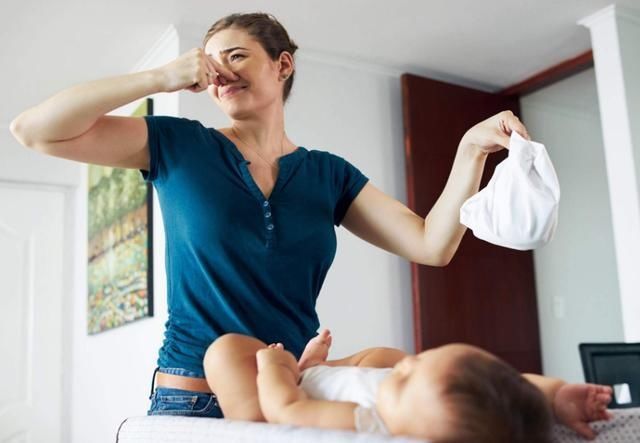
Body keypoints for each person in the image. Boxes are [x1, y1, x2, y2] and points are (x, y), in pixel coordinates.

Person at [10, 12, 536, 418]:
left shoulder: (329, 175)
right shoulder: (178, 146)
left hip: (292, 392)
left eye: (237, 56)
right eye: (211, 64)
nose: (221, 73)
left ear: (282, 65)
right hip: (191, 397)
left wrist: (471, 152)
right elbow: (34, 131)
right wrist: (161, 76)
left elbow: (431, 244)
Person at [204, 329, 613, 442]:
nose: (407, 365)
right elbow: (506, 389)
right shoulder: (414, 401)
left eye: (407, 378)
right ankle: (312, 368)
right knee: (382, 356)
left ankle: (302, 371)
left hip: (280, 395)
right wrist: (555, 395)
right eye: (420, 360)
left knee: (224, 352)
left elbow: (286, 412)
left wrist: (276, 368)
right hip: (325, 378)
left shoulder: (367, 422)